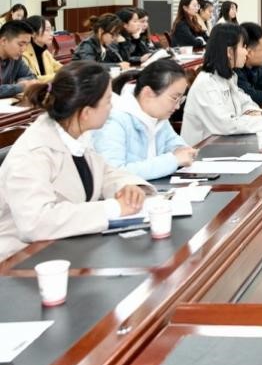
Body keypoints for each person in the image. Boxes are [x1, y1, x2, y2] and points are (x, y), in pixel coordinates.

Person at [0, 61, 152, 261]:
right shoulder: (33, 152)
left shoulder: (75, 134)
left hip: (64, 249)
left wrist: (126, 186)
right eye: (108, 100)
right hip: (18, 260)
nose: (112, 106)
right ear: (86, 112)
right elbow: (36, 222)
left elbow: (104, 172)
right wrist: (113, 208)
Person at [92, 59, 196, 180]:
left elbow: (173, 142)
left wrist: (182, 150)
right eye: (174, 98)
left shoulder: (158, 114)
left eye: (180, 99)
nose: (177, 106)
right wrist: (173, 160)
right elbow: (114, 173)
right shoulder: (113, 120)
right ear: (148, 93)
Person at [181, 23, 262, 145]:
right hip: (201, 150)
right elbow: (226, 124)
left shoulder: (228, 77)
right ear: (229, 51)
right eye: (243, 47)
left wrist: (254, 113)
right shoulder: (206, 84)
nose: (246, 52)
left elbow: (246, 102)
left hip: (223, 144)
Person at [0, 20, 38, 97]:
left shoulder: (16, 58)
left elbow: (32, 77)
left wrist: (23, 82)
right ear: (3, 41)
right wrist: (20, 87)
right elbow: (23, 86)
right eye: (20, 44)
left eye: (27, 44)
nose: (24, 49)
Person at [21, 15, 62, 84]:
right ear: (33, 33)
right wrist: (59, 76)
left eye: (51, 29)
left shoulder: (45, 52)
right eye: (47, 30)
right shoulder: (24, 54)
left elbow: (59, 67)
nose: (52, 34)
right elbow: (32, 79)